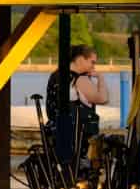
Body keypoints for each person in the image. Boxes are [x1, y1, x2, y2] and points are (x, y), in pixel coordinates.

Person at [43, 43, 108, 171]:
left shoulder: (56, 75)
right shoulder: (76, 79)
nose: (93, 66)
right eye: (92, 62)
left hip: (59, 134)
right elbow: (102, 98)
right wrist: (100, 78)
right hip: (77, 139)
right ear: (80, 59)